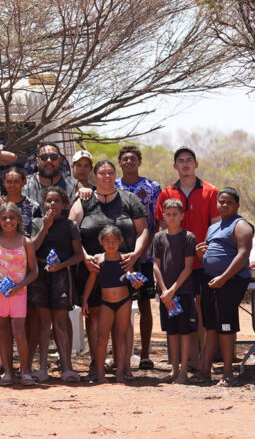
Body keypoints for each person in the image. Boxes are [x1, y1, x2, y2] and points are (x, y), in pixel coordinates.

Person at [68, 160, 148, 378]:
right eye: (102, 173)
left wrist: (136, 254)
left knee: (123, 319)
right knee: (94, 316)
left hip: (124, 266)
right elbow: (72, 231)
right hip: (91, 267)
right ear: (95, 176)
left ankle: (124, 367)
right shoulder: (84, 200)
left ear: (115, 175)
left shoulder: (129, 199)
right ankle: (97, 365)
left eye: (111, 173)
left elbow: (143, 231)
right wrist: (84, 257)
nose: (107, 177)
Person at [155, 146, 220, 370]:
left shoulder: (211, 191)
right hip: (174, 265)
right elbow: (161, 229)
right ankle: (184, 361)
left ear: (196, 164)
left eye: (189, 160)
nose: (185, 164)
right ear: (175, 166)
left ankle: (203, 361)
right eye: (180, 161)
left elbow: (216, 227)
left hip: (202, 262)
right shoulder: (166, 193)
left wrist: (209, 252)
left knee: (201, 310)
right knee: (177, 309)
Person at [195, 187, 253, 386]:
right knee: (210, 326)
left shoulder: (241, 225)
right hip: (210, 279)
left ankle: (228, 373)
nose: (224, 205)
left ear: (237, 205)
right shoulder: (214, 227)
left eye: (229, 202)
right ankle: (205, 372)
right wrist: (201, 257)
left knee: (225, 325)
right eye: (221, 201)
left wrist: (224, 278)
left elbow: (243, 255)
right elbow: (212, 256)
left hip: (231, 281)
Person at [27, 186, 83, 382]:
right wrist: (45, 226)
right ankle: (42, 368)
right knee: (43, 323)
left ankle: (67, 367)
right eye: (48, 201)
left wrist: (61, 266)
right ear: (43, 203)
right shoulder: (36, 222)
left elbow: (78, 255)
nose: (52, 204)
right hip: (40, 275)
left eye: (56, 201)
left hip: (61, 275)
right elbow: (32, 249)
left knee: (60, 322)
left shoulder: (70, 226)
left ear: (64, 204)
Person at [0, 203, 38, 386]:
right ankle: (7, 371)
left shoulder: (25, 242)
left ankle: (25, 371)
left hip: (19, 293)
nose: (8, 221)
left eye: (12, 217)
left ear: (19, 220)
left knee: (19, 331)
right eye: (4, 218)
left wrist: (20, 286)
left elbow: (34, 271)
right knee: (3, 332)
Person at [115, 145, 161, 370]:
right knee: (117, 303)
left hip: (145, 256)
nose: (129, 162)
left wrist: (144, 249)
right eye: (125, 159)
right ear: (119, 163)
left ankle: (144, 354)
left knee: (144, 304)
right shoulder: (112, 186)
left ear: (139, 162)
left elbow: (157, 221)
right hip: (118, 256)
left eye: (133, 158)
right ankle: (120, 354)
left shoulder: (152, 187)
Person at [152, 198, 196, 384]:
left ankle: (184, 370)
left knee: (184, 331)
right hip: (165, 295)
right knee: (171, 332)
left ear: (182, 216)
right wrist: (164, 291)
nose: (171, 217)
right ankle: (174, 369)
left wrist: (173, 290)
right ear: (163, 215)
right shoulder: (158, 238)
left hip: (183, 291)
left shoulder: (188, 237)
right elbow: (156, 266)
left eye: (175, 214)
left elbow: (188, 267)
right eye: (168, 214)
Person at [82, 225, 134, 384]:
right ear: (101, 242)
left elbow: (131, 276)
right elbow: (91, 281)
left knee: (121, 336)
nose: (111, 244)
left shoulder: (125, 258)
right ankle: (99, 372)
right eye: (107, 241)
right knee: (102, 337)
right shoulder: (98, 258)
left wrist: (135, 280)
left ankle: (120, 372)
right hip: (106, 303)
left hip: (124, 301)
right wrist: (85, 300)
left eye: (114, 241)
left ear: (120, 242)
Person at [23, 142, 78, 215]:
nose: (49, 160)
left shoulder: (74, 186)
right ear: (37, 161)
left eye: (53, 157)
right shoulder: (23, 185)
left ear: (60, 160)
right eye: (44, 157)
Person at [0, 166, 42, 235]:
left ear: (24, 182)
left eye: (16, 182)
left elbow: (38, 232)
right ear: (4, 182)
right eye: (9, 181)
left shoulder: (33, 207)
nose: (12, 185)